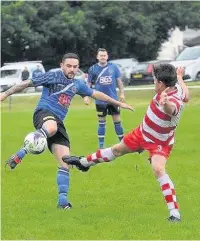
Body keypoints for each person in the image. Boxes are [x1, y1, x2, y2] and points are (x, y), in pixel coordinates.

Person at [0, 53, 133, 210]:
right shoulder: (52, 76)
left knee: (65, 161)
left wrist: (118, 102)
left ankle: (62, 202)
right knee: (51, 127)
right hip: (43, 113)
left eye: (75, 67)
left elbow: (96, 93)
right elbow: (27, 83)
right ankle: (22, 152)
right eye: (68, 66)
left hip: (58, 122)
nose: (72, 69)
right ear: (62, 65)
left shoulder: (78, 84)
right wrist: (5, 93)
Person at [63, 64, 189, 221]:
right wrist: (179, 77)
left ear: (162, 84)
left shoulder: (172, 100)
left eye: (155, 81)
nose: (153, 83)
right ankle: (82, 163)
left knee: (158, 168)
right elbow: (186, 94)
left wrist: (165, 104)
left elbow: (173, 108)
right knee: (116, 150)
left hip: (160, 142)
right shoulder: (174, 85)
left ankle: (174, 213)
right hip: (142, 133)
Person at [84, 48, 125, 149]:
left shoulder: (113, 67)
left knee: (117, 122)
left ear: (107, 56)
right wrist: (87, 96)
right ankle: (101, 146)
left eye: (104, 55)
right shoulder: (93, 69)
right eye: (101, 55)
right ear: (97, 57)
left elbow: (119, 81)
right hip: (100, 100)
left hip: (113, 99)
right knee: (101, 123)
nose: (103, 57)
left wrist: (122, 93)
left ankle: (122, 143)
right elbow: (88, 84)